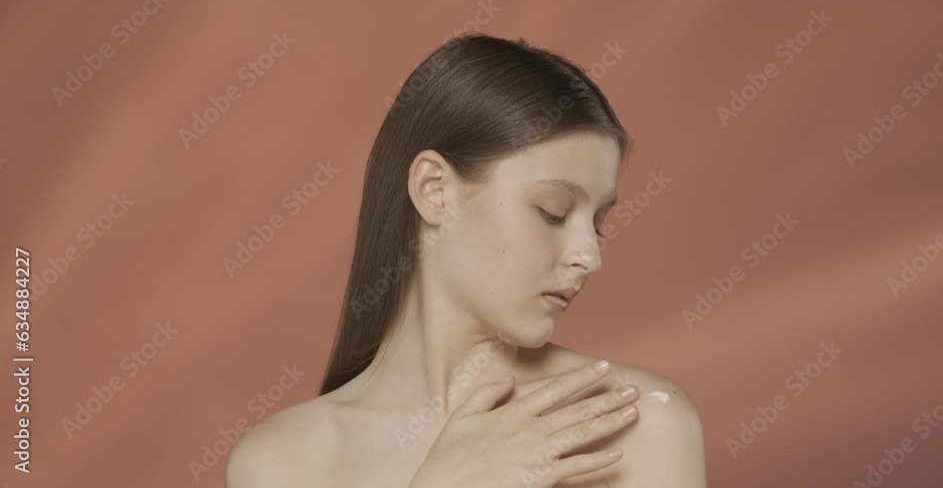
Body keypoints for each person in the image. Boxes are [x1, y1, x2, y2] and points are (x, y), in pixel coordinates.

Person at [225, 33, 706, 487]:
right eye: (553, 212)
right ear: (435, 191)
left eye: (597, 222)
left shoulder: (635, 421)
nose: (589, 257)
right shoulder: (282, 462)